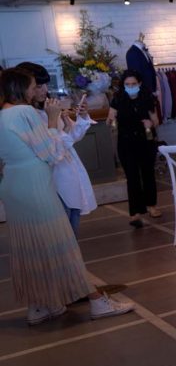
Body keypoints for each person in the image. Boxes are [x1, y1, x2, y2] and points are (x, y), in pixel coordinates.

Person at [0, 69, 134, 326]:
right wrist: (51, 121)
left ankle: (39, 306)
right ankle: (97, 302)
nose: (35, 91)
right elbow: (49, 152)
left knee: (30, 248)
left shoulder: (2, 115)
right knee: (61, 245)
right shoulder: (25, 113)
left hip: (13, 186)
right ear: (20, 89)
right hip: (35, 185)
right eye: (31, 87)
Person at [15, 62, 97, 237]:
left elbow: (70, 138)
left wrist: (79, 118)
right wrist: (55, 120)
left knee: (72, 227)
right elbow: (50, 150)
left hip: (69, 173)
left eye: (45, 84)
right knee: (62, 234)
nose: (44, 90)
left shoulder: (47, 107)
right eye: (37, 86)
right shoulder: (26, 115)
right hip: (53, 179)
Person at [107, 69, 161, 228]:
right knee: (132, 177)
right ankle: (135, 212)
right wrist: (111, 120)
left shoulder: (147, 98)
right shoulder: (118, 99)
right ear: (123, 85)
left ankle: (151, 206)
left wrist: (150, 124)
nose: (130, 87)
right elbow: (109, 120)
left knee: (148, 173)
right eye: (127, 84)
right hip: (126, 142)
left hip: (145, 141)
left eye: (133, 84)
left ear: (140, 84)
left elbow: (156, 120)